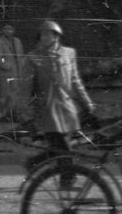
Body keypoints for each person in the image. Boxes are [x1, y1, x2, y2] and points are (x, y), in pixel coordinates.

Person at [26, 19, 96, 157]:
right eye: (42, 35)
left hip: (66, 106)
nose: (44, 38)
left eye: (48, 34)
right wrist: (23, 110)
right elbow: (26, 87)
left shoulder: (69, 53)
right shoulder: (32, 57)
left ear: (56, 36)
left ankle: (37, 165)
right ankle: (68, 176)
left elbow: (76, 81)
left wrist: (87, 101)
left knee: (62, 147)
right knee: (61, 146)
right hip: (47, 108)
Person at [0, 23, 28, 122]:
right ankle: (5, 115)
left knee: (17, 94)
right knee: (6, 94)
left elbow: (21, 55)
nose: (7, 30)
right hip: (6, 72)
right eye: (5, 28)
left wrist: (23, 65)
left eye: (9, 28)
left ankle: (16, 114)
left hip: (18, 71)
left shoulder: (17, 41)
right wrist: (5, 64)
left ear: (13, 30)